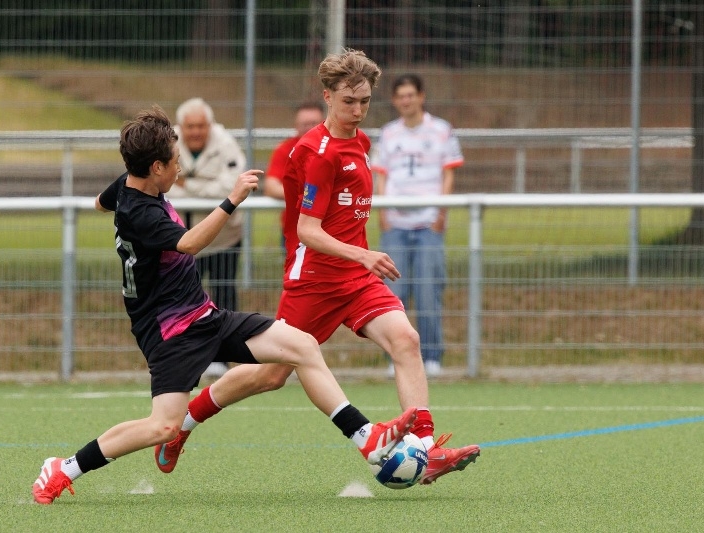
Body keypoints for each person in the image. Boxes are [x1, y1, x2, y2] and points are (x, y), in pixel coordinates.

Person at [30, 105, 418, 504]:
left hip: (205, 316)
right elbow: (190, 243)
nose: (180, 169)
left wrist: (105, 204)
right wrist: (232, 199)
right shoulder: (141, 212)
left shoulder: (129, 184)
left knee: (302, 345)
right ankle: (64, 467)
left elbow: (101, 202)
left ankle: (366, 437)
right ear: (156, 168)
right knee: (163, 427)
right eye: (175, 163)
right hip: (171, 334)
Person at [155, 50, 480, 487]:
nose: (358, 110)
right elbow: (307, 231)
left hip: (356, 278)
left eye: (364, 101)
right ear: (327, 96)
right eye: (349, 101)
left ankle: (425, 450)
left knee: (406, 339)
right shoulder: (317, 152)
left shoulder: (362, 143)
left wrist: (359, 259)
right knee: (271, 375)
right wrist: (362, 254)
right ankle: (183, 424)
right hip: (313, 280)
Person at [372, 74, 463, 379]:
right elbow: (381, 174)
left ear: (421, 96)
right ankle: (395, 357)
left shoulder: (441, 130)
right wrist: (383, 212)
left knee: (428, 290)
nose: (406, 101)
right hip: (396, 223)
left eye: (411, 95)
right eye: (400, 96)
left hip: (427, 222)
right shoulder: (388, 134)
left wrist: (441, 212)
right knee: (392, 294)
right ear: (394, 100)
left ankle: (432, 356)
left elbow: (448, 173)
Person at [167, 97, 246, 378]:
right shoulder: (167, 142)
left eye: (201, 126)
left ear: (209, 125)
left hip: (225, 238)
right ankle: (188, 357)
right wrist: (205, 189)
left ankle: (222, 357)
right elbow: (161, 186)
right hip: (185, 242)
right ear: (181, 126)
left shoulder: (226, 144)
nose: (196, 132)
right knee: (184, 300)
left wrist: (187, 185)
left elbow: (231, 188)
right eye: (190, 126)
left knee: (224, 296)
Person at [263, 102, 325, 224]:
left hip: (331, 223)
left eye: (314, 124)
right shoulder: (285, 150)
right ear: (296, 126)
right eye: (304, 124)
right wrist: (310, 194)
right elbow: (271, 187)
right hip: (294, 225)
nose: (309, 128)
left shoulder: (336, 147)